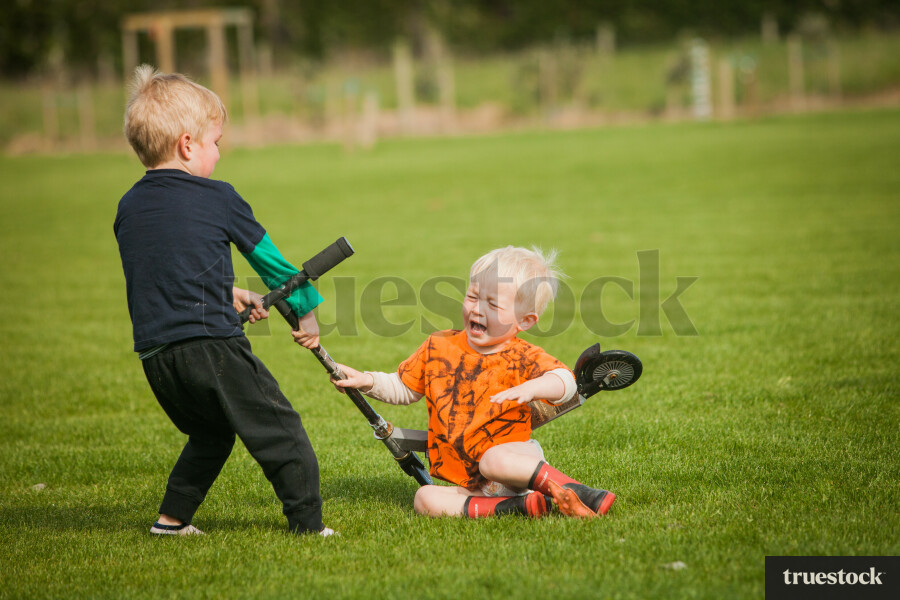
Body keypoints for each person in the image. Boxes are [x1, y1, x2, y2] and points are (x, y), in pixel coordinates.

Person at [114, 65, 334, 537]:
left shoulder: (129, 207)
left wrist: (225, 293)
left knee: (211, 434)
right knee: (281, 430)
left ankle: (171, 522)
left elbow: (162, 268)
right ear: (187, 144)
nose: (219, 152)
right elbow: (274, 265)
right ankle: (310, 527)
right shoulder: (219, 197)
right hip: (212, 346)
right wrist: (306, 313)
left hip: (157, 355)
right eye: (216, 142)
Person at [333, 246, 615, 519]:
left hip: (514, 466)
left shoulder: (521, 356)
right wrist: (366, 380)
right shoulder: (439, 346)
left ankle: (579, 492)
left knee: (494, 460)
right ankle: (517, 508)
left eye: (493, 304)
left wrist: (533, 387)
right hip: (472, 484)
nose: (478, 309)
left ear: (525, 321)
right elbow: (405, 387)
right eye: (473, 297)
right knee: (425, 499)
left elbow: (565, 381)